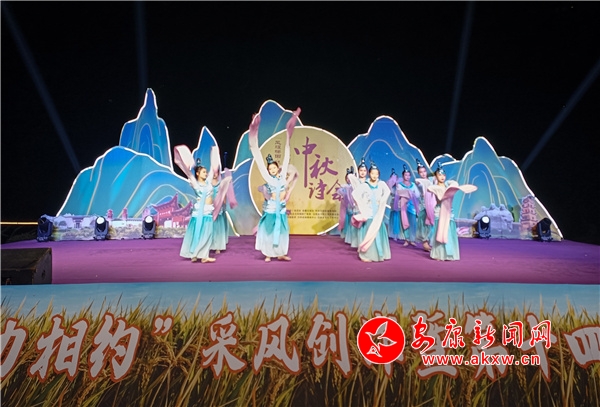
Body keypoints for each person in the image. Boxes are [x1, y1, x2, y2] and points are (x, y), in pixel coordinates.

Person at [249, 108, 301, 262]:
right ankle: (268, 253)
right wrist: (254, 131)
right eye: (270, 169)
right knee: (269, 230)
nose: (272, 170)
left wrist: (288, 137)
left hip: (282, 208)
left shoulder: (283, 178)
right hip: (272, 207)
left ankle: (280, 253)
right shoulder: (268, 179)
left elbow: (287, 154)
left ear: (278, 168)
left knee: (283, 231)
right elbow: (257, 154)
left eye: (274, 168)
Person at [427, 163, 477, 261]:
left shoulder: (448, 185)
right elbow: (433, 193)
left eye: (443, 175)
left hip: (449, 211)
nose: (442, 177)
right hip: (440, 211)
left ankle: (449, 254)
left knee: (449, 231)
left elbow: (454, 183)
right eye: (439, 175)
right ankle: (439, 254)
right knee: (440, 231)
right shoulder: (435, 187)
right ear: (436, 176)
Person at [352, 161, 391, 262]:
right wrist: (363, 205)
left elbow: (387, 192)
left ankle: (380, 254)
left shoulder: (381, 184)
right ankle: (366, 255)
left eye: (376, 174)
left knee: (378, 232)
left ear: (378, 174)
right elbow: (355, 194)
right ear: (369, 173)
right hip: (369, 212)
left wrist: (382, 201)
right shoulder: (365, 185)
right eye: (372, 173)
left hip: (378, 213)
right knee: (368, 232)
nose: (374, 175)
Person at [179, 159, 216, 263]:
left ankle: (200, 255)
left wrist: (215, 153)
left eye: (206, 172)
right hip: (200, 211)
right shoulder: (196, 184)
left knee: (206, 234)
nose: (206, 173)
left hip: (208, 210)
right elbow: (188, 173)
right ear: (198, 174)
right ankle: (196, 255)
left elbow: (213, 169)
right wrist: (180, 160)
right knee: (198, 233)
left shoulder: (208, 182)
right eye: (204, 172)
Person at [395, 164, 420, 247]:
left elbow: (417, 194)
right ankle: (406, 239)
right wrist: (407, 193)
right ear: (403, 176)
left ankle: (412, 239)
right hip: (403, 206)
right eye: (406, 175)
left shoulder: (413, 184)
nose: (407, 177)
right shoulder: (399, 185)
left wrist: (411, 194)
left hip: (412, 206)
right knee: (404, 222)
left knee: (413, 223)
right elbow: (399, 193)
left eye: (409, 175)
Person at [414, 159, 435, 251]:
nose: (423, 173)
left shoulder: (431, 180)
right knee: (424, 224)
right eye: (421, 172)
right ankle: (425, 242)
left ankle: (431, 242)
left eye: (424, 171)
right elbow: (417, 182)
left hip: (432, 204)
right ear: (419, 173)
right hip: (423, 206)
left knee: (431, 224)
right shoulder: (419, 182)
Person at [337, 167, 355, 244]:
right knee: (344, 219)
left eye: (350, 178)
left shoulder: (355, 186)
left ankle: (352, 237)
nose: (348, 179)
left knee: (352, 220)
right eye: (347, 178)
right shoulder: (344, 186)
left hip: (353, 205)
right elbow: (341, 194)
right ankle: (345, 235)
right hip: (345, 206)